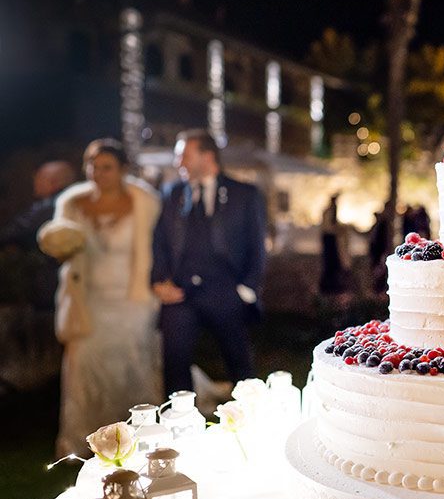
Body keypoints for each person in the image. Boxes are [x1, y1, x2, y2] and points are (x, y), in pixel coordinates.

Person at [37, 141, 160, 456]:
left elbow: (160, 251)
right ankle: (81, 442)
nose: (98, 173)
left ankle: (136, 439)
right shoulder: (71, 203)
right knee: (82, 365)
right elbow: (62, 251)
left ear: (123, 170)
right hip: (87, 299)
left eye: (106, 167)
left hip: (131, 297)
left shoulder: (144, 202)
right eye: (92, 166)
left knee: (133, 364)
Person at [151, 130, 267, 394]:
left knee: (241, 368)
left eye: (184, 156)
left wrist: (246, 290)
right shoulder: (172, 193)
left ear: (207, 156)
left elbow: (257, 246)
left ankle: (250, 421)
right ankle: (178, 426)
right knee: (174, 368)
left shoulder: (244, 194)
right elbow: (158, 241)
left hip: (226, 292)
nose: (178, 163)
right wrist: (159, 281)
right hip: (180, 294)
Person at [1, 161, 76, 309]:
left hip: (52, 286)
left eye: (39, 178)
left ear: (53, 182)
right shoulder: (79, 203)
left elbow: (14, 232)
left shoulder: (46, 207)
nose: (35, 183)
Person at [319, 195, 350, 295]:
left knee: (332, 265)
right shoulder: (328, 212)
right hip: (330, 241)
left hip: (331, 241)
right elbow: (329, 228)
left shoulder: (328, 211)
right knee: (330, 264)